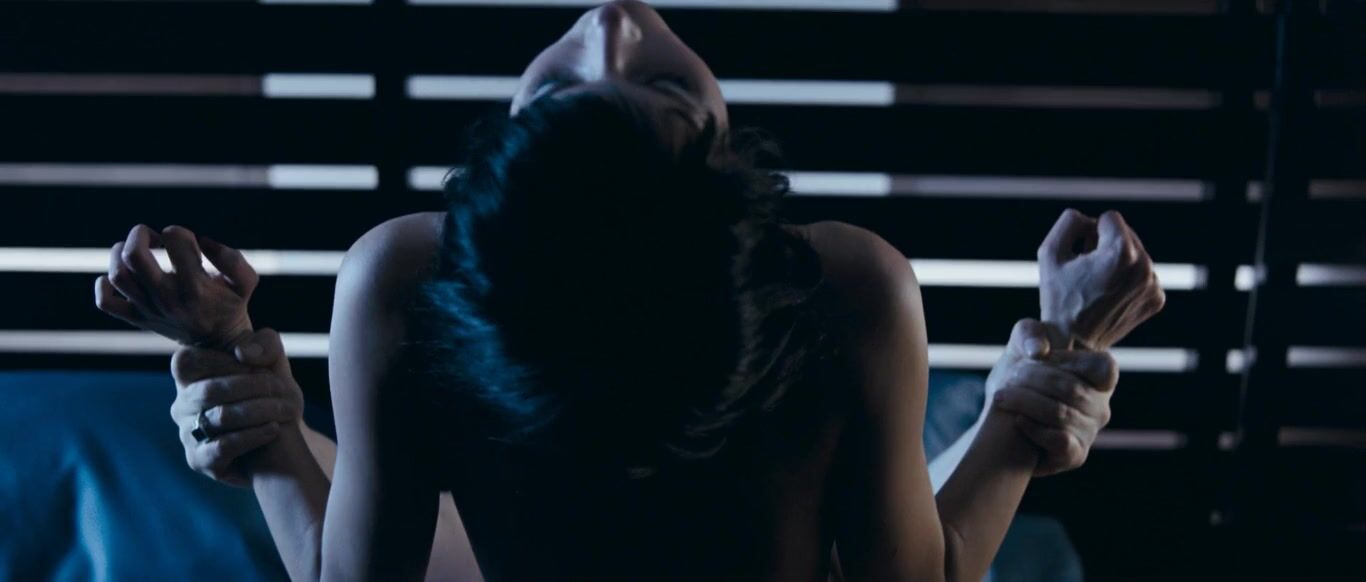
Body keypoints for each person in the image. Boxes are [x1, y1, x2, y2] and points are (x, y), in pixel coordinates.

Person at [93, 1, 1165, 580]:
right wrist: (1047, 376)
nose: (611, 22)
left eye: (563, 89)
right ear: (732, 180)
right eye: (660, 84)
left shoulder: (401, 278)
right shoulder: (847, 288)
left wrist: (243, 389)